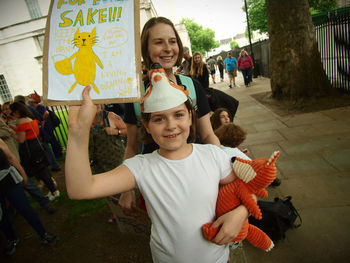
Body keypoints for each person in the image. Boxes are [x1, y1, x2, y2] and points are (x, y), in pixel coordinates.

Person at [65, 62, 255, 262]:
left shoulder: (213, 156)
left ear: (191, 117)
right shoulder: (141, 167)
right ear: (146, 125)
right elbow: (81, 189)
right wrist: (78, 132)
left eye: (178, 114)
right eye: (158, 119)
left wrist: (241, 213)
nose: (171, 126)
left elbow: (252, 184)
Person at [119, 17, 220, 210]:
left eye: (172, 41)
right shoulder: (135, 95)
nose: (168, 48)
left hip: (199, 174)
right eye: (158, 42)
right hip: (158, 182)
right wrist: (126, 189)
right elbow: (132, 146)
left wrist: (223, 165)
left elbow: (207, 134)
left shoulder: (192, 86)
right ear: (146, 49)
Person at [0, 138, 58, 256]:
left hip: (8, 181)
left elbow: (10, 157)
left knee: (26, 209)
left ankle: (43, 234)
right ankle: (12, 238)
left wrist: (22, 173)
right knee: (1, 217)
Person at [9, 102, 60, 200]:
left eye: (12, 113)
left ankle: (54, 191)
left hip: (31, 151)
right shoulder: (30, 119)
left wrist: (12, 133)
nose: (12, 115)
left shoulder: (20, 122)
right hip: (38, 146)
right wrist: (16, 129)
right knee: (44, 170)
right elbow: (29, 133)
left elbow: (21, 139)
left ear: (16, 112)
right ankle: (53, 189)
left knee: (41, 172)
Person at [27, 92, 63, 159]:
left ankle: (58, 153)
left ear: (33, 102)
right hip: (46, 126)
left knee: (52, 140)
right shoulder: (36, 107)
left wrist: (43, 121)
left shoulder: (39, 107)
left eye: (29, 101)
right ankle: (57, 153)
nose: (28, 103)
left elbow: (46, 113)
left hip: (47, 126)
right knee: (52, 140)